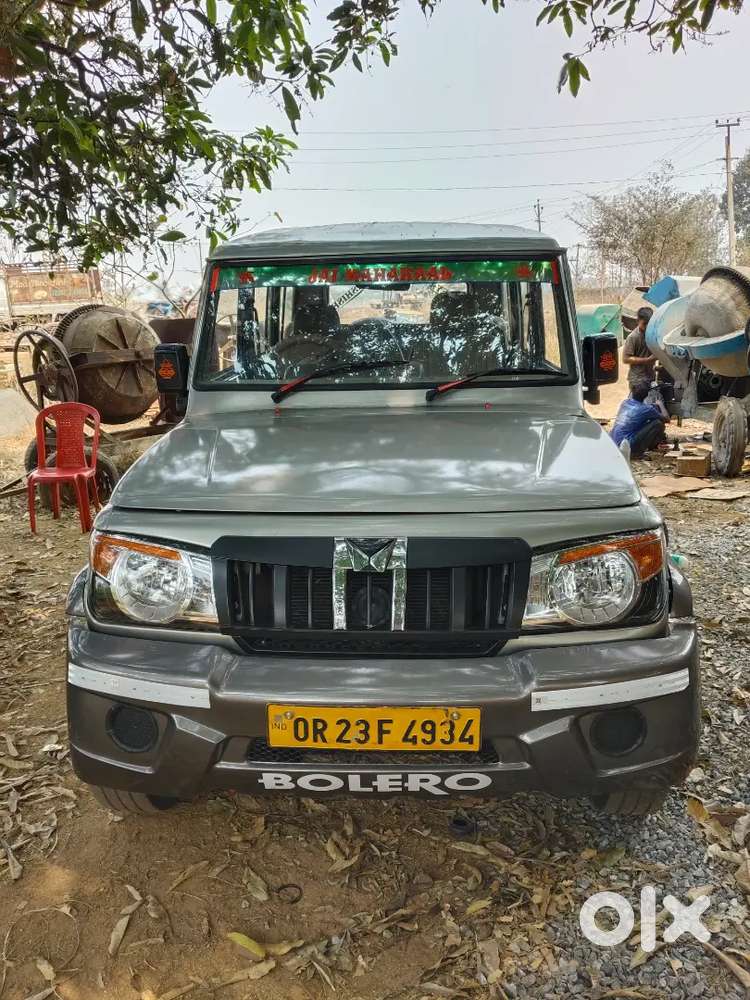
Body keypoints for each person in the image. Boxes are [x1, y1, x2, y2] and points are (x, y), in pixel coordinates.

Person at [610, 382, 669, 458]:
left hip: (614, 443)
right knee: (658, 423)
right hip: (627, 444)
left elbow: (639, 412)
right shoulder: (647, 409)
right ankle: (636, 453)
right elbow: (667, 419)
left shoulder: (625, 402)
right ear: (647, 395)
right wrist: (660, 404)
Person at [622, 306, 656, 394]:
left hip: (650, 378)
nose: (647, 327)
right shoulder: (633, 337)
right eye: (644, 324)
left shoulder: (653, 334)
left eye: (649, 324)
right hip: (638, 380)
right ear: (637, 321)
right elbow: (625, 359)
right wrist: (647, 360)